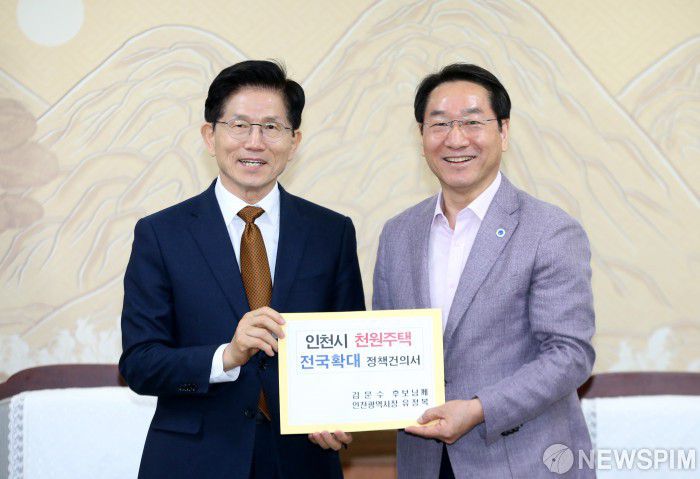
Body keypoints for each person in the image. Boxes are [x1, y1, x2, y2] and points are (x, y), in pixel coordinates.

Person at [119, 60, 364, 479]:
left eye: (271, 127)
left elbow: (350, 350)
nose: (255, 142)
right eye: (239, 125)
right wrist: (226, 356)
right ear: (209, 136)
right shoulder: (161, 234)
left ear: (294, 141)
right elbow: (140, 363)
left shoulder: (331, 232)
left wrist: (341, 413)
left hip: (302, 459)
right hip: (194, 460)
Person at [372, 64, 595, 478]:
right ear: (421, 137)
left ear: (504, 132)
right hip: (424, 463)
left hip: (521, 462)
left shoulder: (550, 230)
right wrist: (332, 411)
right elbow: (383, 348)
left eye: (473, 122)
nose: (456, 139)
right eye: (440, 124)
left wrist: (479, 409)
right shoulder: (398, 234)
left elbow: (570, 354)